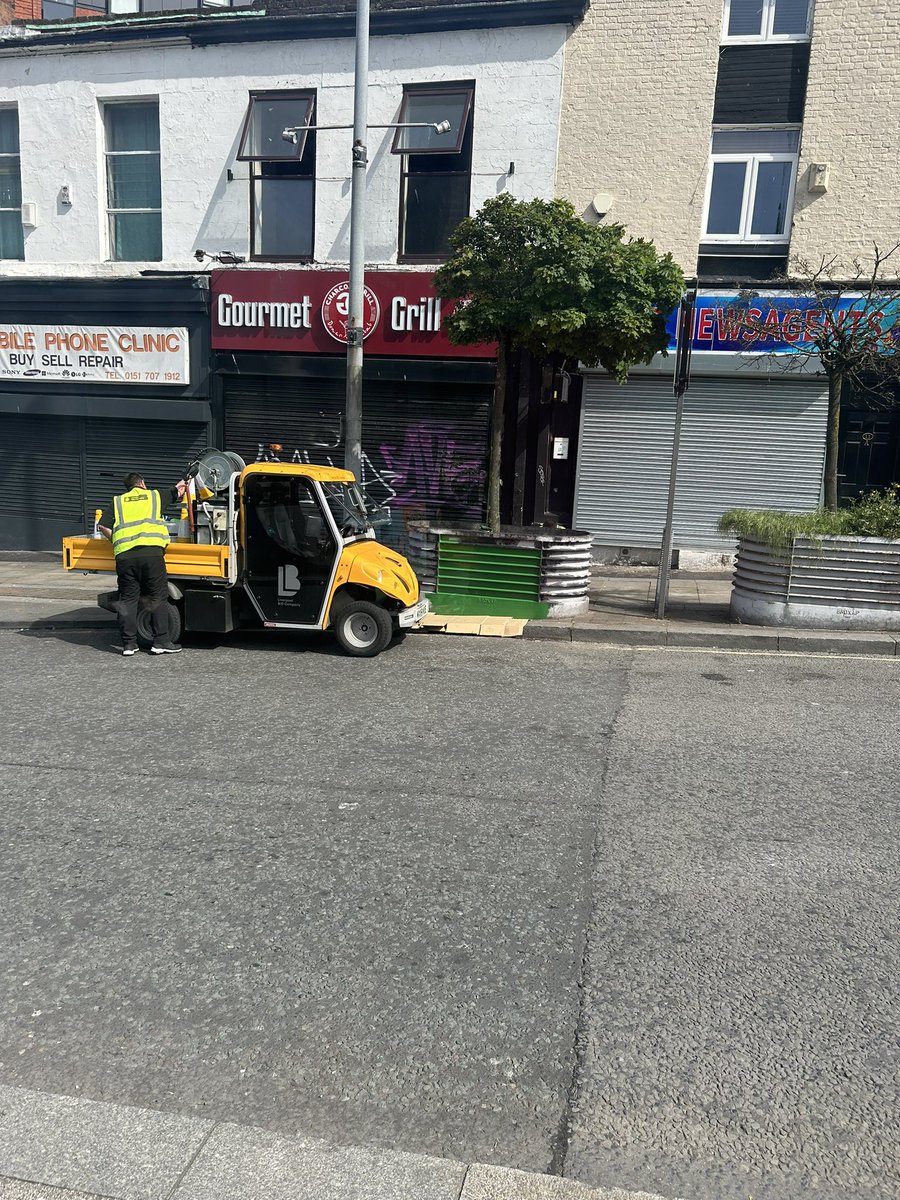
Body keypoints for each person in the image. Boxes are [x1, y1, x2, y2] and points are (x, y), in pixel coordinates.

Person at [98, 472, 187, 656]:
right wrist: (185, 481)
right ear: (142, 483)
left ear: (128, 487)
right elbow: (178, 491)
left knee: (129, 600)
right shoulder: (154, 496)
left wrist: (116, 539)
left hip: (125, 558)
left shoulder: (118, 502)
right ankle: (160, 641)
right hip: (151, 555)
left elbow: (103, 526)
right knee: (157, 597)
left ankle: (129, 645)